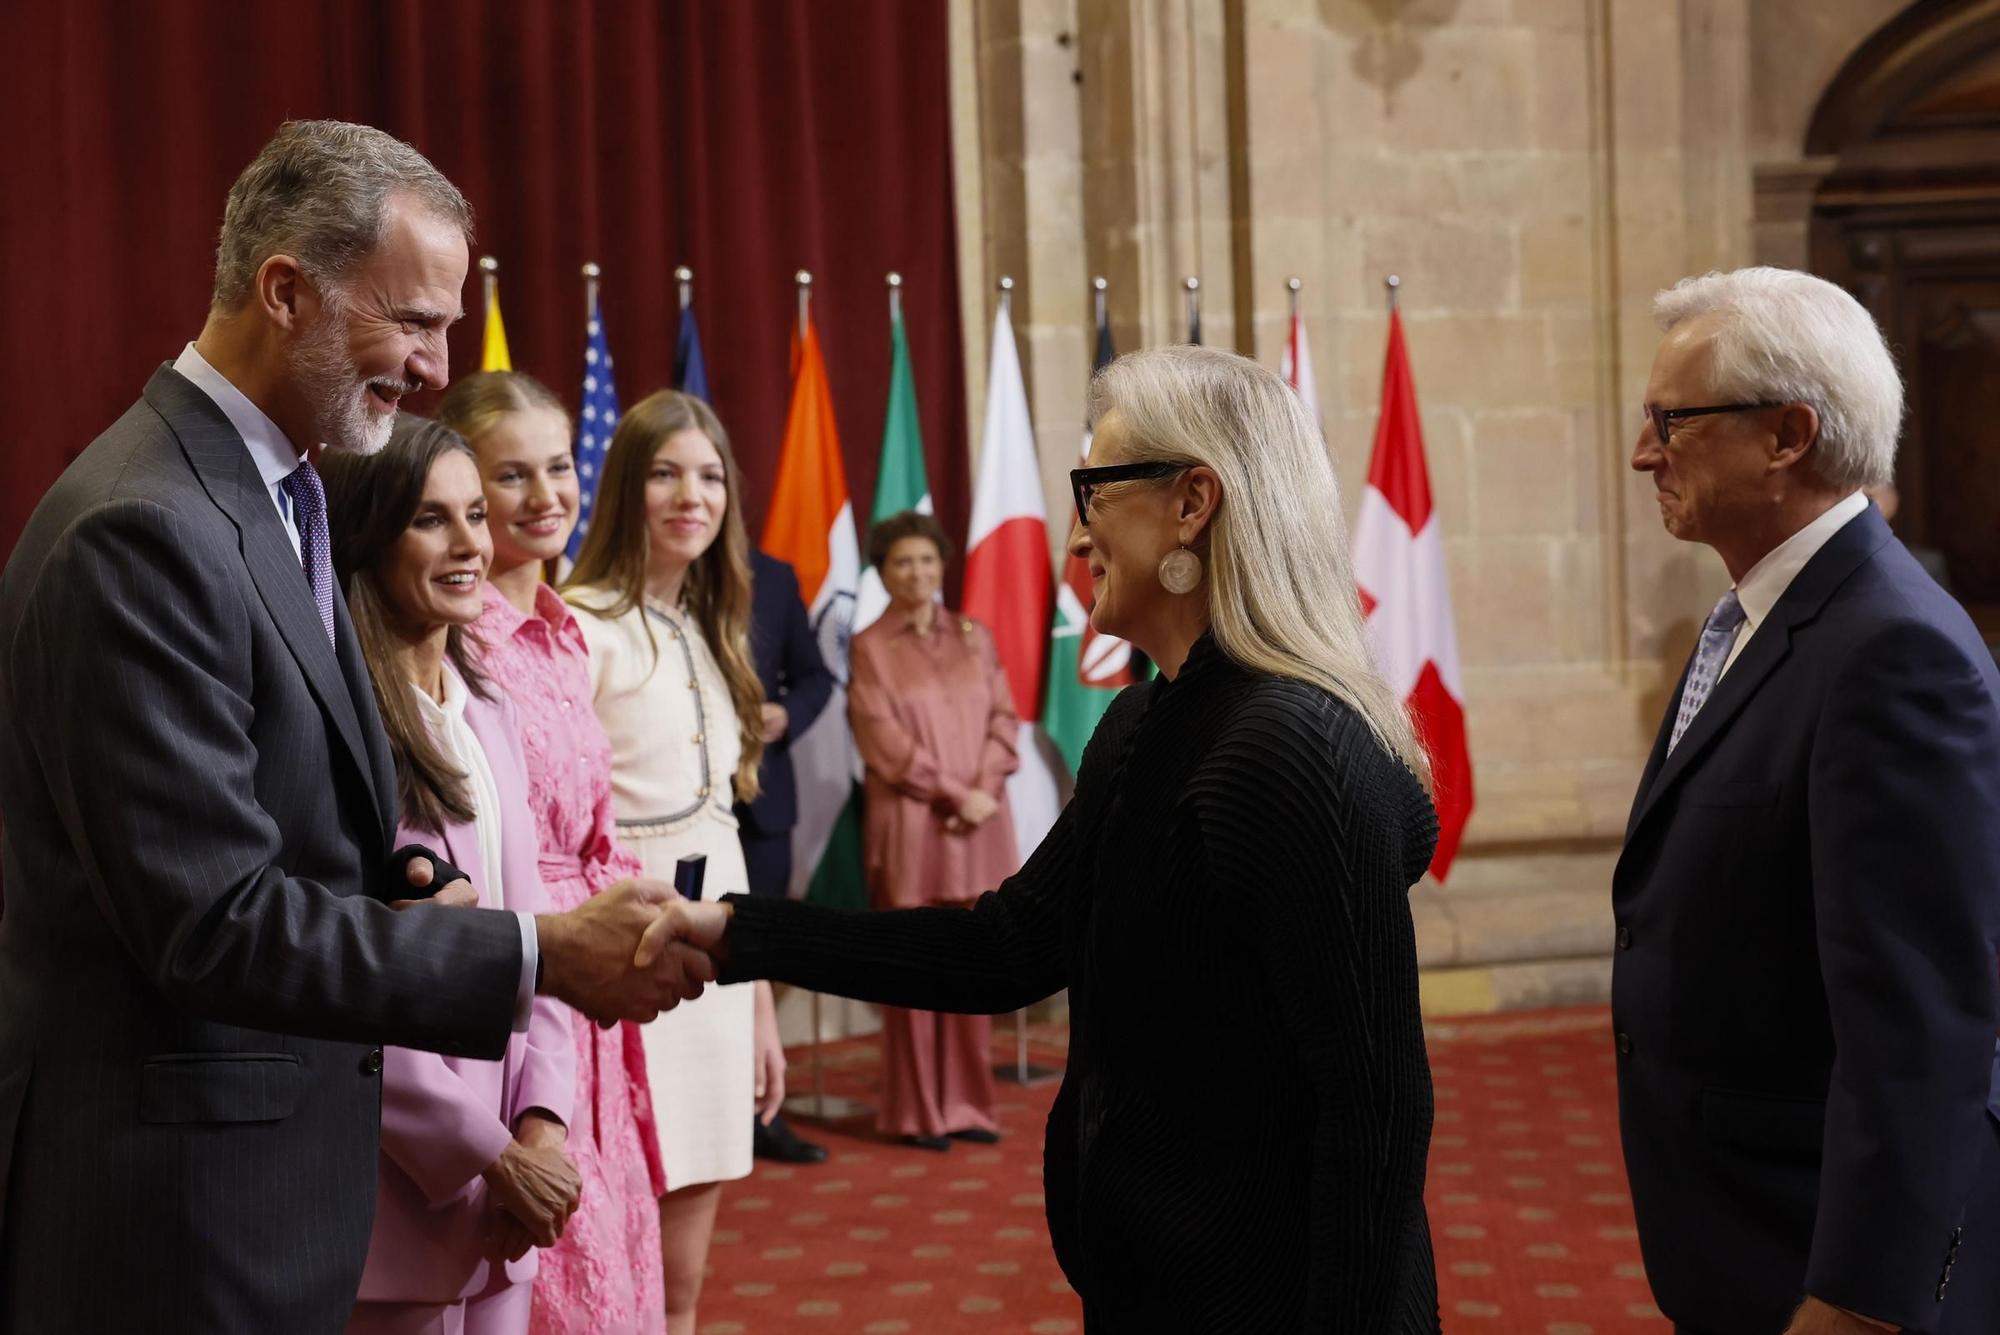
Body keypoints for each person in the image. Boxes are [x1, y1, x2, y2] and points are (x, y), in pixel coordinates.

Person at [0, 120, 709, 1334]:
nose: (437, 369)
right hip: (176, 1226)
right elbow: (212, 920)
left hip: (273, 1200)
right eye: (415, 322)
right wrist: (536, 954)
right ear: (285, 291)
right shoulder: (142, 527)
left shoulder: (278, 492)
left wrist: (414, 872)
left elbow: (298, 806)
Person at [665, 346, 1444, 1330]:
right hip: (1152, 1284)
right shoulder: (1143, 721)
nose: (1074, 536)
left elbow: (1373, 1111)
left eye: (1091, 489)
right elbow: (1007, 946)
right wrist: (734, 934)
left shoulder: (1289, 745)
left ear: (1190, 503)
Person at [1616, 266, 2000, 1335]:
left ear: (1785, 435)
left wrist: (1859, 1301)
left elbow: (1917, 1025)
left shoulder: (1892, 651)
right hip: (1740, 1226)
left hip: (1816, 1259)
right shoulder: (1754, 616)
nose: (1643, 452)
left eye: (1669, 421)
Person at [323, 417, 578, 1335]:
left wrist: (543, 1123)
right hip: (398, 1202)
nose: (472, 542)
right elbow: (341, 986)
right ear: (366, 535)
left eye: (476, 512)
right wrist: (487, 1152)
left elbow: (536, 941)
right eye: (432, 519)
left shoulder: (491, 711)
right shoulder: (335, 735)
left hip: (507, 1202)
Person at [440, 371, 669, 1334]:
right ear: (462, 489)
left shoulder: (569, 633)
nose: (546, 496)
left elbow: (593, 830)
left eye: (559, 467)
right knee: (552, 1284)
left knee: (622, 1266)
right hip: (521, 984)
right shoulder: (451, 638)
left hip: (601, 1002)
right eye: (512, 474)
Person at [563, 390, 787, 1335]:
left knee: (684, 1284)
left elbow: (720, 830)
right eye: (664, 473)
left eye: (708, 476)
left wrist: (759, 993)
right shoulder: (579, 625)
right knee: (612, 1273)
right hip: (621, 962)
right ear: (623, 488)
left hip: (714, 974)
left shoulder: (707, 626)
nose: (690, 495)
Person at [849, 510, 1015, 1150]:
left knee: (974, 965)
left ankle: (970, 1105)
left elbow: (1004, 718)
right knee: (915, 969)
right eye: (901, 562)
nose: (916, 573)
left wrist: (986, 788)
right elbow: (881, 740)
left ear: (941, 564)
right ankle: (918, 1114)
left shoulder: (976, 635)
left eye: (926, 560)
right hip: (915, 828)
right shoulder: (869, 646)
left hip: (981, 825)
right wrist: (955, 793)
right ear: (883, 573)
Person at [737, 547, 833, 1165]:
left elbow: (817, 676)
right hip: (671, 807)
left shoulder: (773, 575)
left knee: (757, 957)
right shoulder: (645, 564)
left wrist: (787, 713)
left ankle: (762, 1113)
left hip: (764, 803)